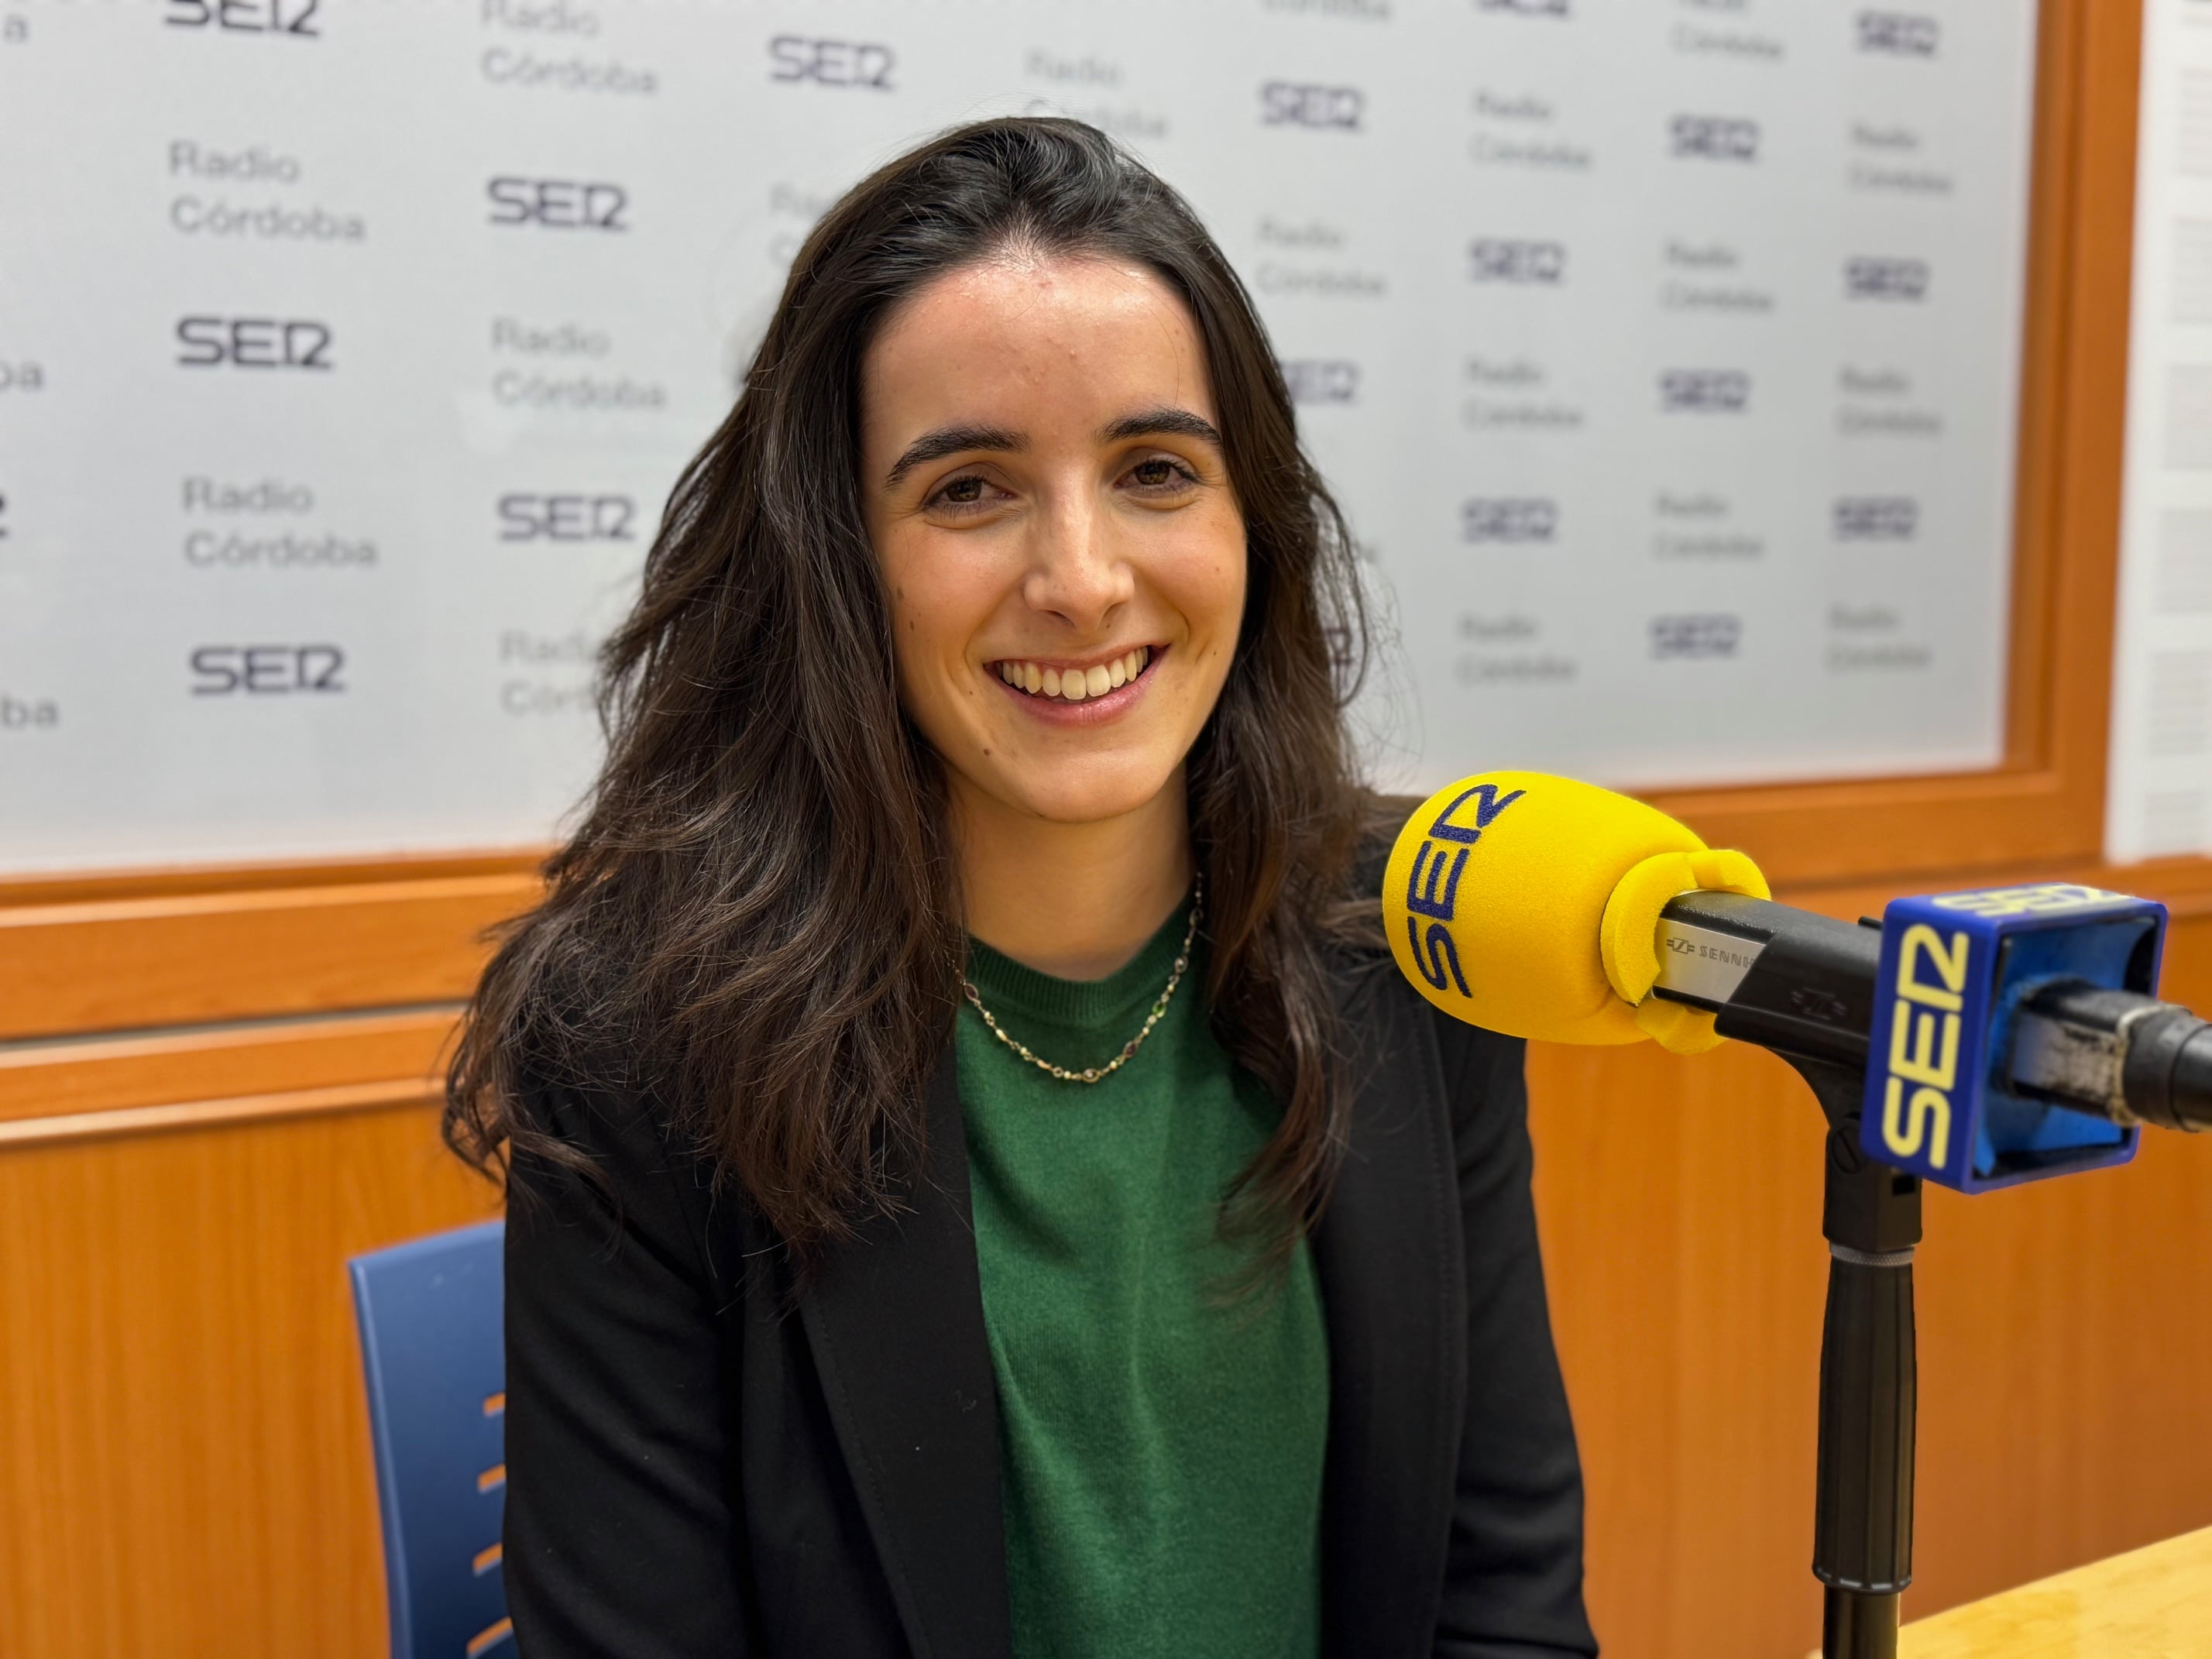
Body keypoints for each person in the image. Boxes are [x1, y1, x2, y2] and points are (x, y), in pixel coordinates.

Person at [444, 116, 1598, 1659]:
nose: (1082, 577)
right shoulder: (645, 1040)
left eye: (1155, 472)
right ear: (838, 555)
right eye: (971, 490)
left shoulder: (1413, 935)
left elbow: (1505, 1606)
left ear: (1250, 517)